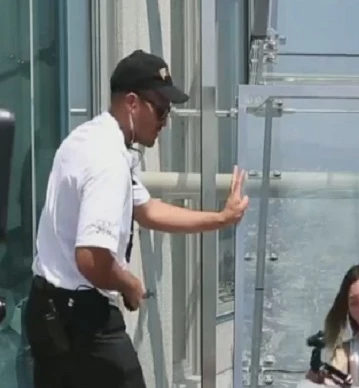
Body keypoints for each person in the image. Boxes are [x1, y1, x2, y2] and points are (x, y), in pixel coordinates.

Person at [23, 49, 249, 388]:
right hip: (80, 316)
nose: (165, 121)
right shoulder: (107, 161)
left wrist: (220, 219)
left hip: (50, 307)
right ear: (132, 103)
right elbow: (92, 258)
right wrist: (129, 283)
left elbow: (147, 210)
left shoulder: (94, 137)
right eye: (160, 110)